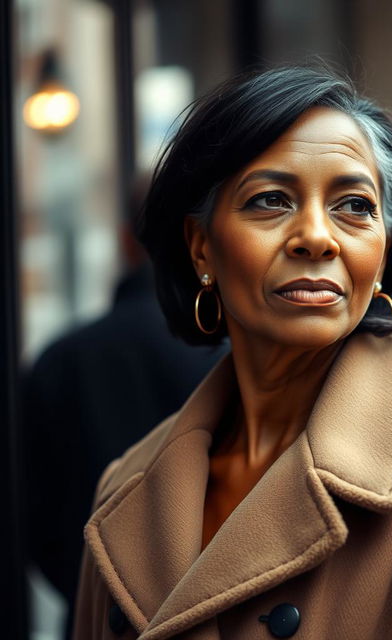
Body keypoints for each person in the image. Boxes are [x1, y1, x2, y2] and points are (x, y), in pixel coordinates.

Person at [72, 65, 392, 639]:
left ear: (382, 253)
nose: (318, 236)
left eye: (354, 206)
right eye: (270, 200)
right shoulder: (129, 485)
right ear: (202, 249)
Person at [23, 179, 226, 639]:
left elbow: (32, 517)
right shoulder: (228, 356)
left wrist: (94, 584)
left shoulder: (59, 358)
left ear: (123, 241)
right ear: (202, 245)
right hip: (208, 614)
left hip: (96, 611)